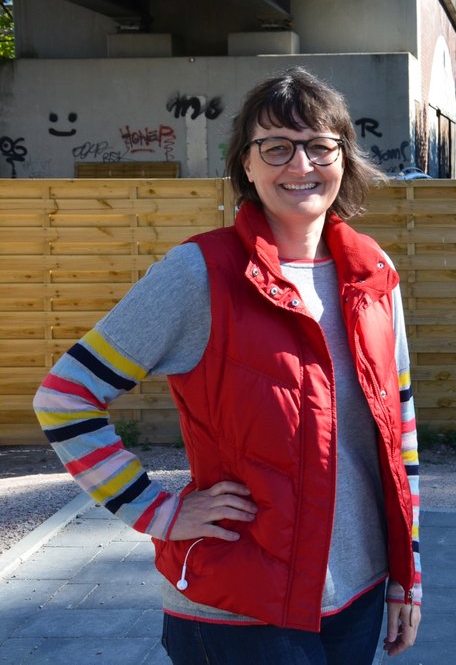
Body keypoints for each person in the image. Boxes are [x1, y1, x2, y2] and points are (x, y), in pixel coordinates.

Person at [33, 67, 422, 663]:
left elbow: (401, 433)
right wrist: (157, 511)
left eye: (320, 146)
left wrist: (405, 575)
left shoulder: (373, 274)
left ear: (343, 158)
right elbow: (65, 397)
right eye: (276, 147)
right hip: (240, 608)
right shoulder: (201, 274)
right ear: (246, 163)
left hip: (358, 595)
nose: (301, 164)